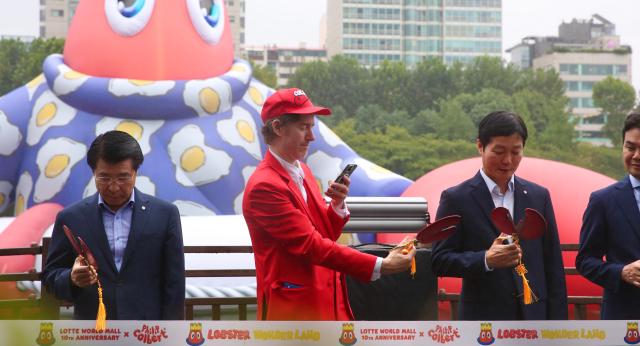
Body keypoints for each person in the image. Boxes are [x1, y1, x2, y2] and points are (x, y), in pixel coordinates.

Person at [242, 88, 415, 320]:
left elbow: (324, 235)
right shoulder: (265, 186)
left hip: (327, 303)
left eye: (312, 127)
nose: (311, 137)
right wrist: (382, 265)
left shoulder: (301, 169)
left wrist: (336, 205)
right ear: (277, 128)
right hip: (296, 313)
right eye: (304, 127)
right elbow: (311, 245)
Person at [431, 111, 567, 320]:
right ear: (480, 146)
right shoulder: (456, 198)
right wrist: (486, 259)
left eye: (516, 151)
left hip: (533, 317)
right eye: (499, 151)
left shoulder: (539, 196)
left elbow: (553, 265)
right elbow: (440, 260)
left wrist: (558, 327)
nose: (507, 160)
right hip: (483, 322)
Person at [42, 130, 185, 320]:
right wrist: (71, 278)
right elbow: (51, 278)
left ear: (136, 172)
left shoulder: (165, 214)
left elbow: (174, 283)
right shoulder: (71, 218)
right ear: (93, 173)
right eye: (104, 178)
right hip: (92, 331)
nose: (114, 186)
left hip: (148, 333)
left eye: (123, 177)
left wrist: (172, 334)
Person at [576, 112, 640, 319]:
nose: (636, 155)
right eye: (630, 147)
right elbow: (585, 260)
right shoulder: (603, 200)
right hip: (623, 318)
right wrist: (621, 272)